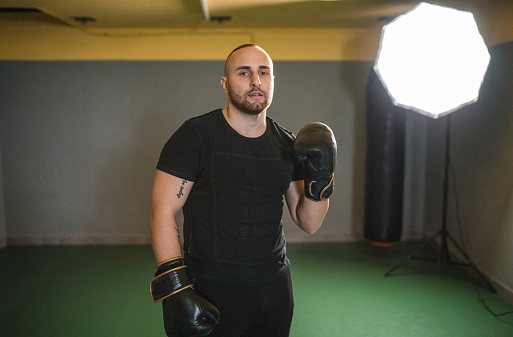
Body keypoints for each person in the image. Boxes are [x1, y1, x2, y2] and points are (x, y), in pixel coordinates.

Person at [149, 44, 336, 337]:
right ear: (225, 83)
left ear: (272, 81)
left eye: (264, 72)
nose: (255, 81)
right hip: (211, 286)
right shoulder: (196, 136)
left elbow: (308, 222)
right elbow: (162, 210)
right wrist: (176, 287)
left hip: (274, 287)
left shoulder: (288, 144)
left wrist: (323, 176)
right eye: (244, 72)